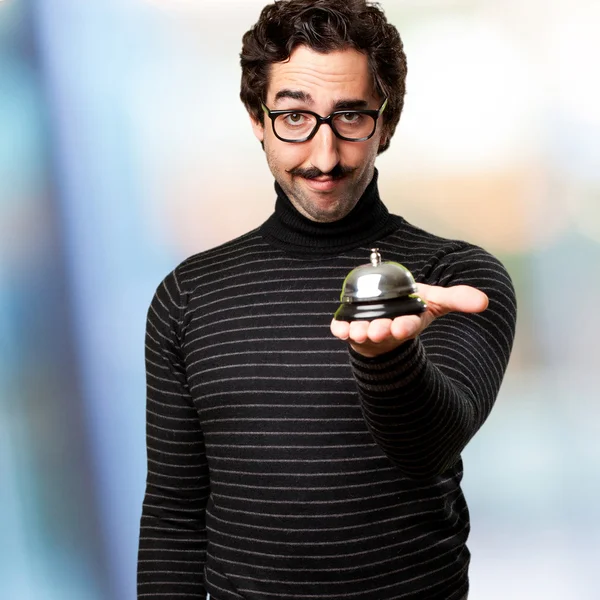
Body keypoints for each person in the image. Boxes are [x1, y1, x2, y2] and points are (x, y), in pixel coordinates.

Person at [137, 1, 516, 599]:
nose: (324, 155)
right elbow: (174, 513)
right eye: (294, 118)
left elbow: (431, 448)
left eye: (350, 118)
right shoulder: (188, 296)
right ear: (256, 119)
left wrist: (388, 359)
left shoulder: (457, 278)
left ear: (386, 124)